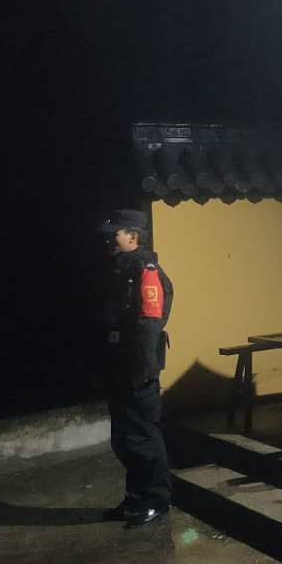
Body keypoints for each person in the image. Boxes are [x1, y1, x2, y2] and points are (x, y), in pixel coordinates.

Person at [99, 209, 175, 528]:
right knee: (124, 438)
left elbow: (149, 324)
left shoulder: (145, 270)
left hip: (138, 370)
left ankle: (155, 500)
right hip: (120, 366)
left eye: (114, 234)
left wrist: (142, 371)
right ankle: (135, 498)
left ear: (133, 236)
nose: (108, 240)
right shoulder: (121, 269)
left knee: (143, 437)